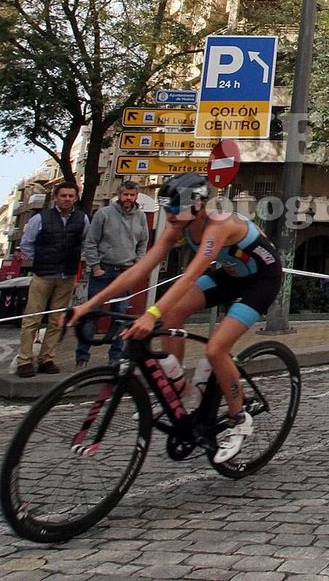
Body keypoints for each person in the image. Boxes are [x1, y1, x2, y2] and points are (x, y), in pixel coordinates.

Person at [65, 172, 282, 464]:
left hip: (262, 280)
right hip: (232, 275)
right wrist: (89, 304)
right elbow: (139, 269)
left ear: (199, 205)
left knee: (216, 349)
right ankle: (179, 388)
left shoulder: (219, 226)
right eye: (167, 209)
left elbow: (190, 275)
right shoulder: (178, 226)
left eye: (175, 210)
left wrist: (150, 314)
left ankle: (239, 418)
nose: (170, 217)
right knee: (172, 313)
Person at [15, 182, 89, 377]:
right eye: (63, 196)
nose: (67, 199)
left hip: (67, 275)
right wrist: (40, 260)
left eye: (70, 196)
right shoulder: (40, 218)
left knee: (57, 320)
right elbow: (27, 244)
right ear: (55, 198)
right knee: (32, 319)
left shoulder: (82, 219)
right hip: (43, 275)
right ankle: (24, 360)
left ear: (75, 198)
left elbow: (85, 242)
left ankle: (47, 358)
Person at [74, 181, 149, 368]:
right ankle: (82, 357)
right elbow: (91, 242)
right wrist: (95, 266)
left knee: (120, 316)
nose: (128, 199)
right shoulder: (103, 214)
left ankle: (115, 356)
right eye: (125, 195)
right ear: (119, 195)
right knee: (92, 315)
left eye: (132, 195)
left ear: (136, 197)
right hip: (103, 271)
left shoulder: (140, 217)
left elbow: (143, 242)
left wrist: (137, 264)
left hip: (125, 273)